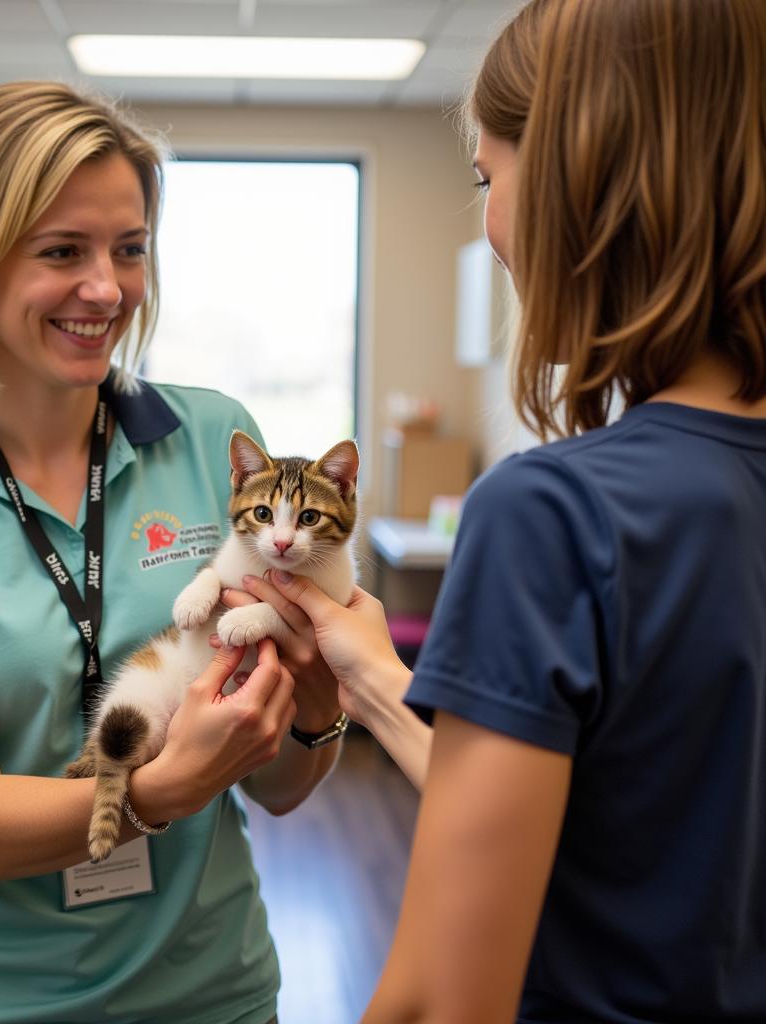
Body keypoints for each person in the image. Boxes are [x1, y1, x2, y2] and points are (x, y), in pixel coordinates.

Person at [223, 0, 766, 1020]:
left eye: (486, 176)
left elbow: (438, 997)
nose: (489, 224)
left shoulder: (555, 510)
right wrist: (381, 680)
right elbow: (608, 827)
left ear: (581, 179)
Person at [0, 81, 348, 1024]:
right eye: (63, 251)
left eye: (129, 249)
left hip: (212, 994)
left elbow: (278, 787)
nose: (107, 289)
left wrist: (313, 711)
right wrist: (162, 788)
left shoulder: (213, 437)